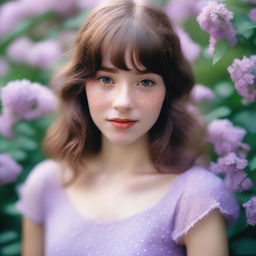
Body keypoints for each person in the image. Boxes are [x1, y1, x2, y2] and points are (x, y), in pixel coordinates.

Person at [16, 0, 240, 255]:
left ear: (168, 90)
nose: (123, 102)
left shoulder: (194, 197)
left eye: (145, 82)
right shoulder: (47, 184)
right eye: (105, 79)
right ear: (82, 85)